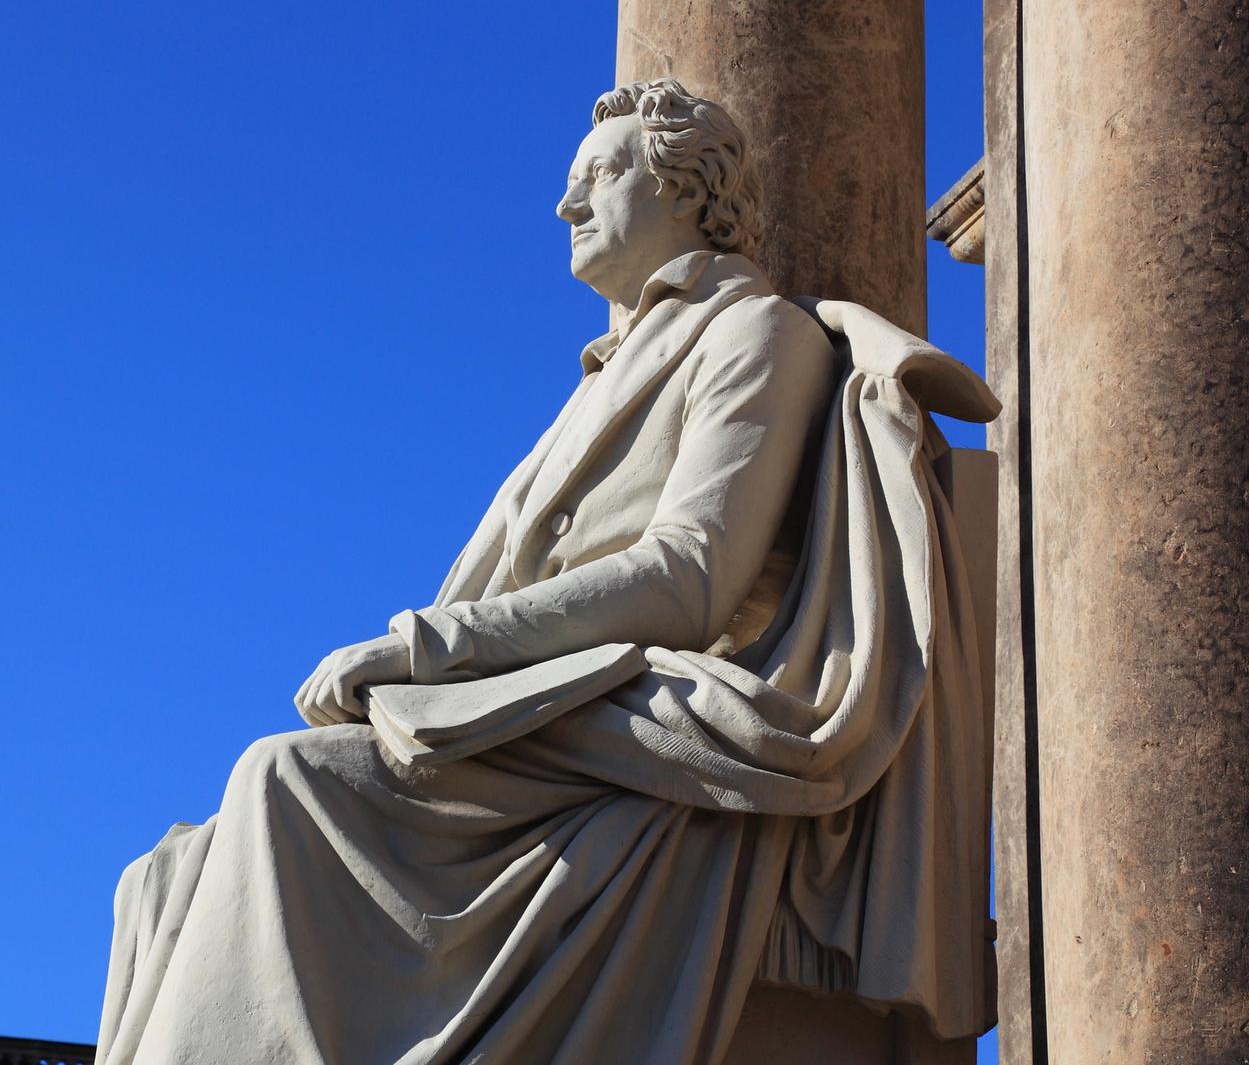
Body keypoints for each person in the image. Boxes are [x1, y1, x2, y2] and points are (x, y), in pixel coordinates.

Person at [96, 79, 999, 1065]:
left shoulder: (755, 332)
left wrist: (429, 646)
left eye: (599, 176)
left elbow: (690, 577)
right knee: (166, 875)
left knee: (283, 783)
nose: (568, 206)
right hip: (543, 709)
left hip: (638, 707)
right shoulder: (603, 373)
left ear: (691, 190)